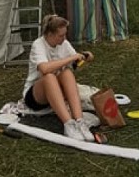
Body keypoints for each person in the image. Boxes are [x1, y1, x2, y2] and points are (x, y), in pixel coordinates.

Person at [22, 14, 97, 142]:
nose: (64, 38)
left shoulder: (64, 43)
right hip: (35, 96)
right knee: (49, 76)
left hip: (57, 91)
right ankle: (68, 124)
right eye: (61, 35)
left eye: (65, 34)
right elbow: (44, 69)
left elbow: (74, 62)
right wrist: (71, 58)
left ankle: (79, 122)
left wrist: (84, 57)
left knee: (67, 73)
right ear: (50, 35)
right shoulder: (38, 45)